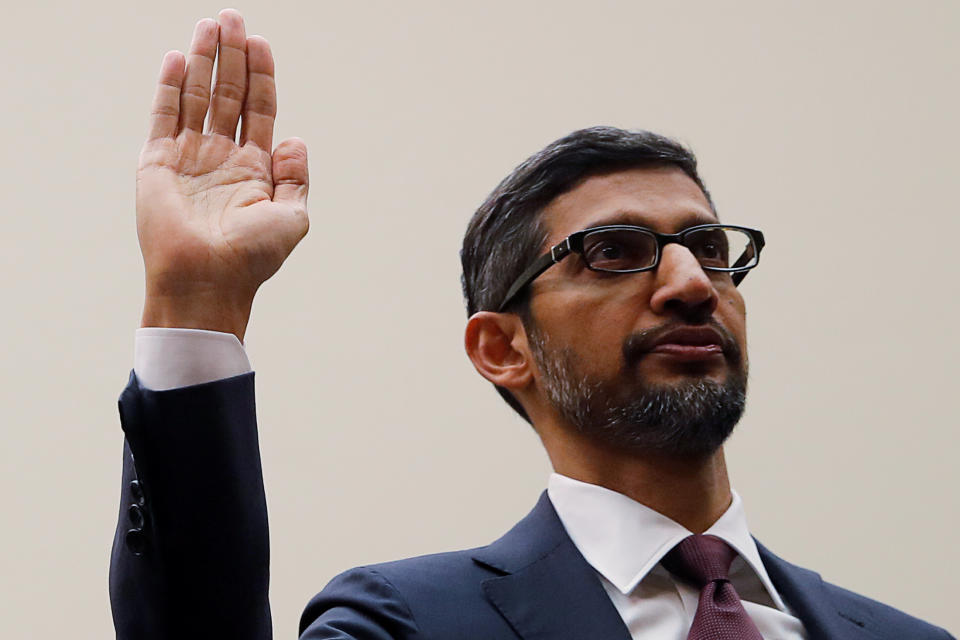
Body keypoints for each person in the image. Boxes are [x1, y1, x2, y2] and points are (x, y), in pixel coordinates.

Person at [109, 10, 953, 640]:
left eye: (708, 248)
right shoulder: (411, 623)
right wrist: (196, 307)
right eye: (616, 251)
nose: (692, 283)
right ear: (503, 348)